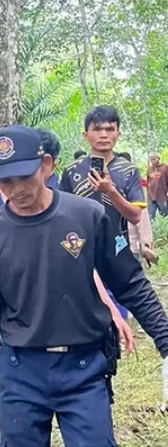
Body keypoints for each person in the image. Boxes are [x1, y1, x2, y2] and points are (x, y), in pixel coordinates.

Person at [0, 125, 168, 447]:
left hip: (84, 368)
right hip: (20, 370)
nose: (16, 190)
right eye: (5, 181)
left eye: (24, 177)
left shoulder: (88, 215)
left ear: (45, 165)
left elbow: (130, 283)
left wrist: (166, 342)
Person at [60, 106, 146, 320]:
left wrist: (110, 191)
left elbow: (135, 216)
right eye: (98, 129)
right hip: (80, 251)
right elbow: (60, 214)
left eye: (110, 129)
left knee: (119, 312)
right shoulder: (72, 171)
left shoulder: (128, 171)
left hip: (118, 249)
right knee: (86, 310)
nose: (104, 135)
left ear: (118, 133)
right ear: (86, 135)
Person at [117, 152, 158, 266]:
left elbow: (142, 220)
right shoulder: (107, 187)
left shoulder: (134, 187)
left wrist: (147, 246)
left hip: (131, 247)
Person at [147, 151, 168, 220]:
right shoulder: (149, 169)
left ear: (158, 158)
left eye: (154, 159)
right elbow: (148, 182)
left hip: (162, 196)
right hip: (151, 197)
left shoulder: (165, 168)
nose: (152, 161)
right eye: (151, 159)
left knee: (165, 216)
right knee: (150, 217)